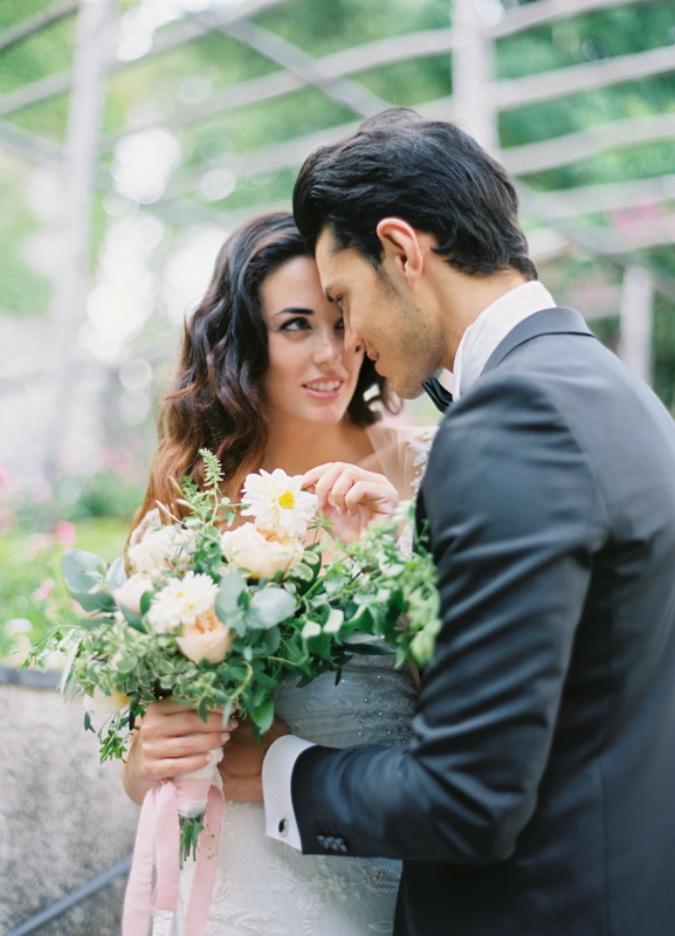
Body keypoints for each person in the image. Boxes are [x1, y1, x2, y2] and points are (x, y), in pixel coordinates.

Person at [220, 110, 675, 935]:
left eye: (343, 299)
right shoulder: (610, 391)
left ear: (401, 249)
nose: (348, 337)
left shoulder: (512, 418)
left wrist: (276, 767)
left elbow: (467, 797)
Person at [121, 211, 436, 935]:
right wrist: (150, 755)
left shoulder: (420, 474)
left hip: (379, 868)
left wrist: (399, 557)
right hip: (226, 883)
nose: (332, 354)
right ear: (241, 341)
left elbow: (480, 696)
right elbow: (141, 771)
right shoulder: (188, 498)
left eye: (340, 320)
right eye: (296, 326)